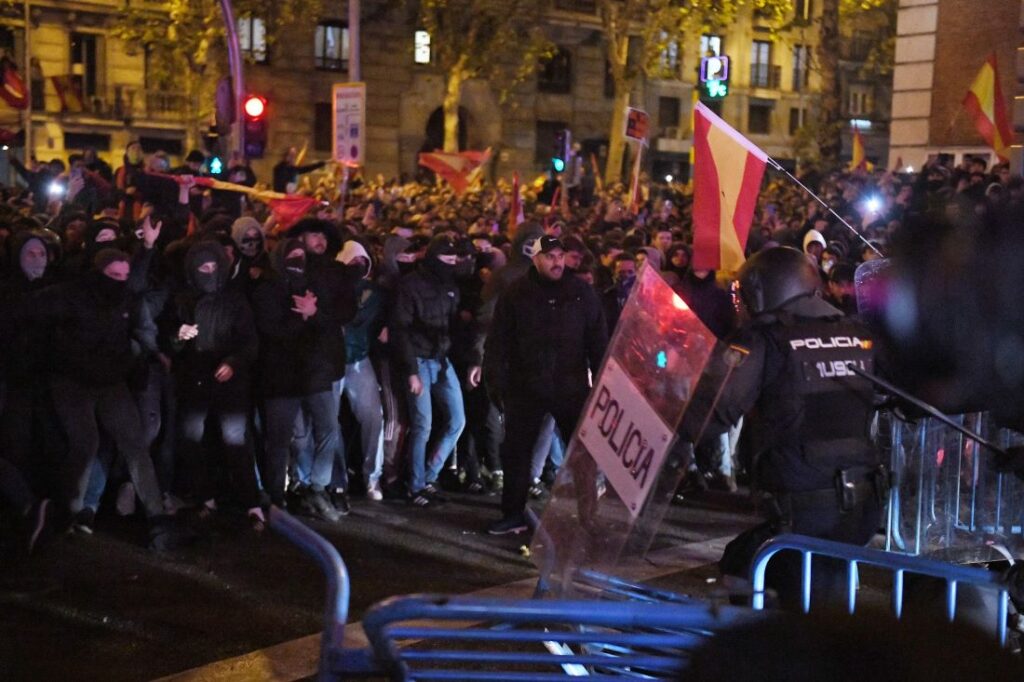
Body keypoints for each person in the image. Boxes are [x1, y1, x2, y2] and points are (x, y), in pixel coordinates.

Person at [679, 246, 882, 607]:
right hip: (862, 504)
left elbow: (709, 414)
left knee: (746, 573)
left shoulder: (764, 339)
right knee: (825, 600)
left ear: (761, 290)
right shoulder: (856, 332)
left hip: (801, 511)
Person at [483, 235, 608, 535]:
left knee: (581, 453)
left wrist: (601, 379)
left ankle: (588, 516)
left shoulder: (581, 293)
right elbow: (499, 341)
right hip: (526, 386)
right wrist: (496, 383)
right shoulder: (516, 294)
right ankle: (513, 514)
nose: (556, 262)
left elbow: (597, 338)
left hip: (571, 385)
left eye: (560, 256)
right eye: (549, 256)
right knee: (517, 452)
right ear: (536, 259)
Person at [391, 235, 477, 507]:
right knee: (422, 424)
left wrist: (474, 358)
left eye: (455, 261)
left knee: (457, 420)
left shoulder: (450, 286)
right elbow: (401, 329)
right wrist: (411, 371)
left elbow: (453, 328)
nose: (452, 265)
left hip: (441, 360)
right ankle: (415, 485)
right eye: (447, 261)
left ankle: (428, 475)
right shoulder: (410, 286)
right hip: (418, 361)